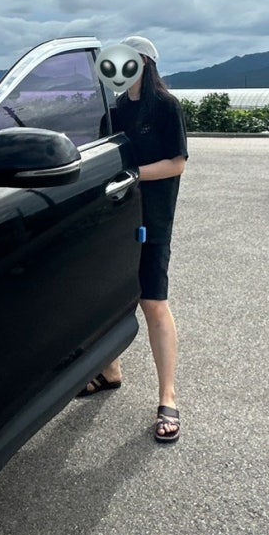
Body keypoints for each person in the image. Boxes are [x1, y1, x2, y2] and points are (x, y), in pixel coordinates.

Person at [78, 35, 188, 443]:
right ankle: (110, 370)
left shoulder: (165, 106)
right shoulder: (115, 110)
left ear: (144, 62)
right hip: (116, 218)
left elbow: (176, 164)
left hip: (152, 218)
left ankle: (168, 397)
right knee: (110, 298)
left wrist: (133, 175)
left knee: (153, 302)